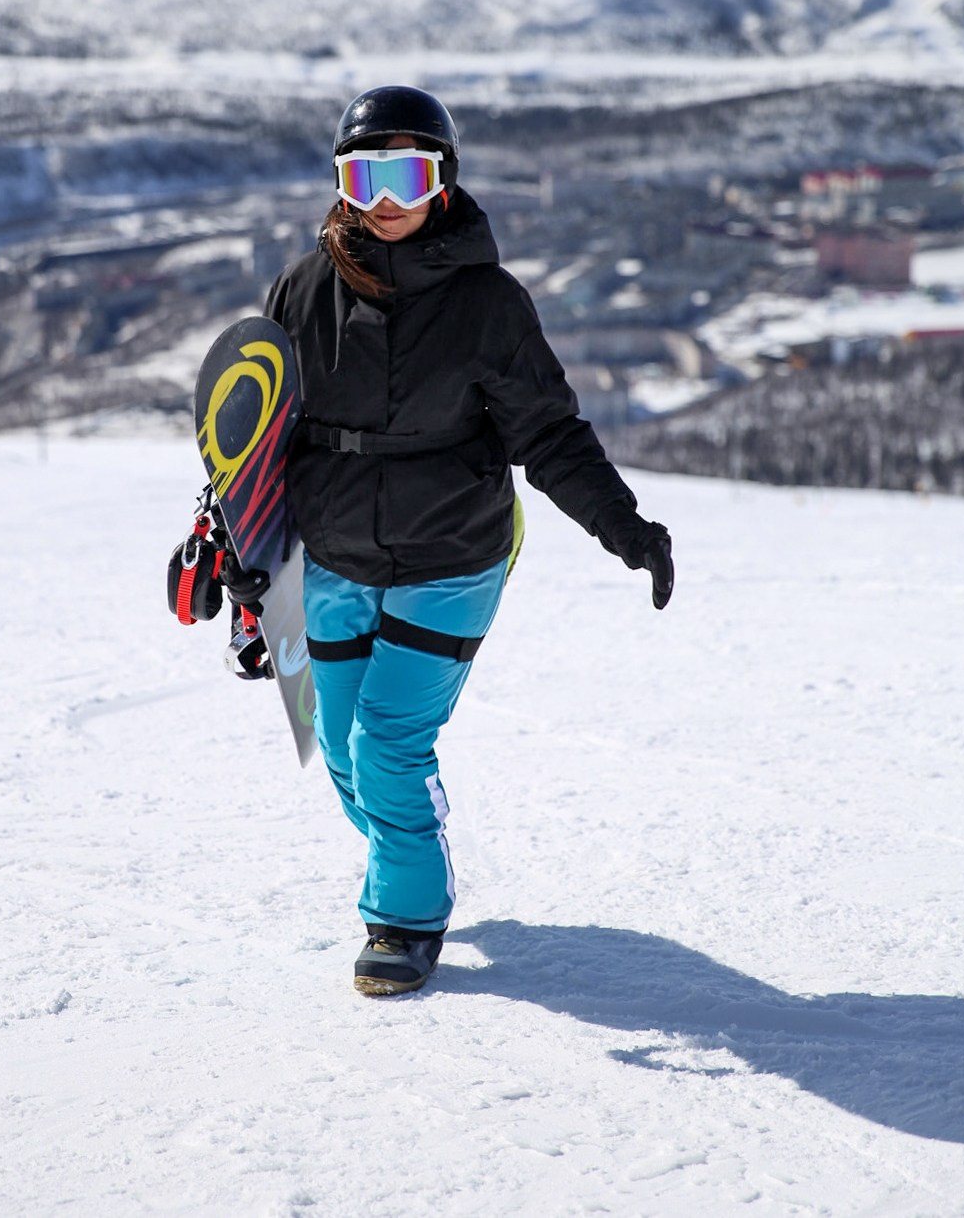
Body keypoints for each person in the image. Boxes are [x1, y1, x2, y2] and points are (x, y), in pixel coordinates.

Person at [252, 85, 674, 997]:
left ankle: (403, 922)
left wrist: (622, 526)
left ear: (442, 180)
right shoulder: (301, 288)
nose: (386, 197)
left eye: (407, 173)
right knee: (339, 745)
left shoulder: (487, 302)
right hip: (333, 553)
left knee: (387, 741)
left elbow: (549, 432)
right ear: (340, 182)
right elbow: (255, 436)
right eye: (365, 175)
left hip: (450, 553)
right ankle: (409, 852)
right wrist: (235, 554)